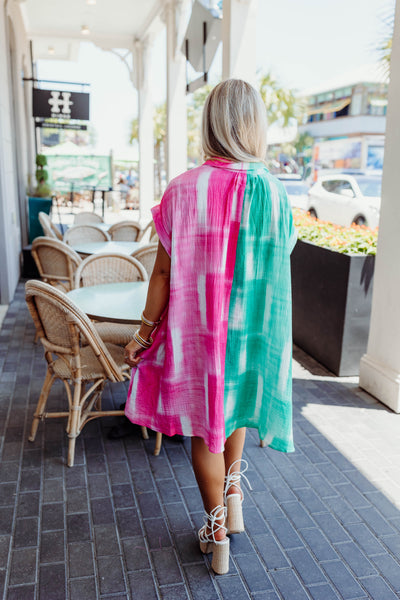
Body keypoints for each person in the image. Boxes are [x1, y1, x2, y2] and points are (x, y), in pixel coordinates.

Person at [124, 79, 296, 575]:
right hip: (251, 332)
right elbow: (276, 263)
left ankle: (217, 533)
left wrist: (141, 335)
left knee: (205, 433)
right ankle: (234, 492)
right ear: (254, 126)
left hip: (200, 334)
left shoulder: (182, 189)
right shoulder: (275, 193)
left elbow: (162, 272)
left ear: (211, 125)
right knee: (236, 408)